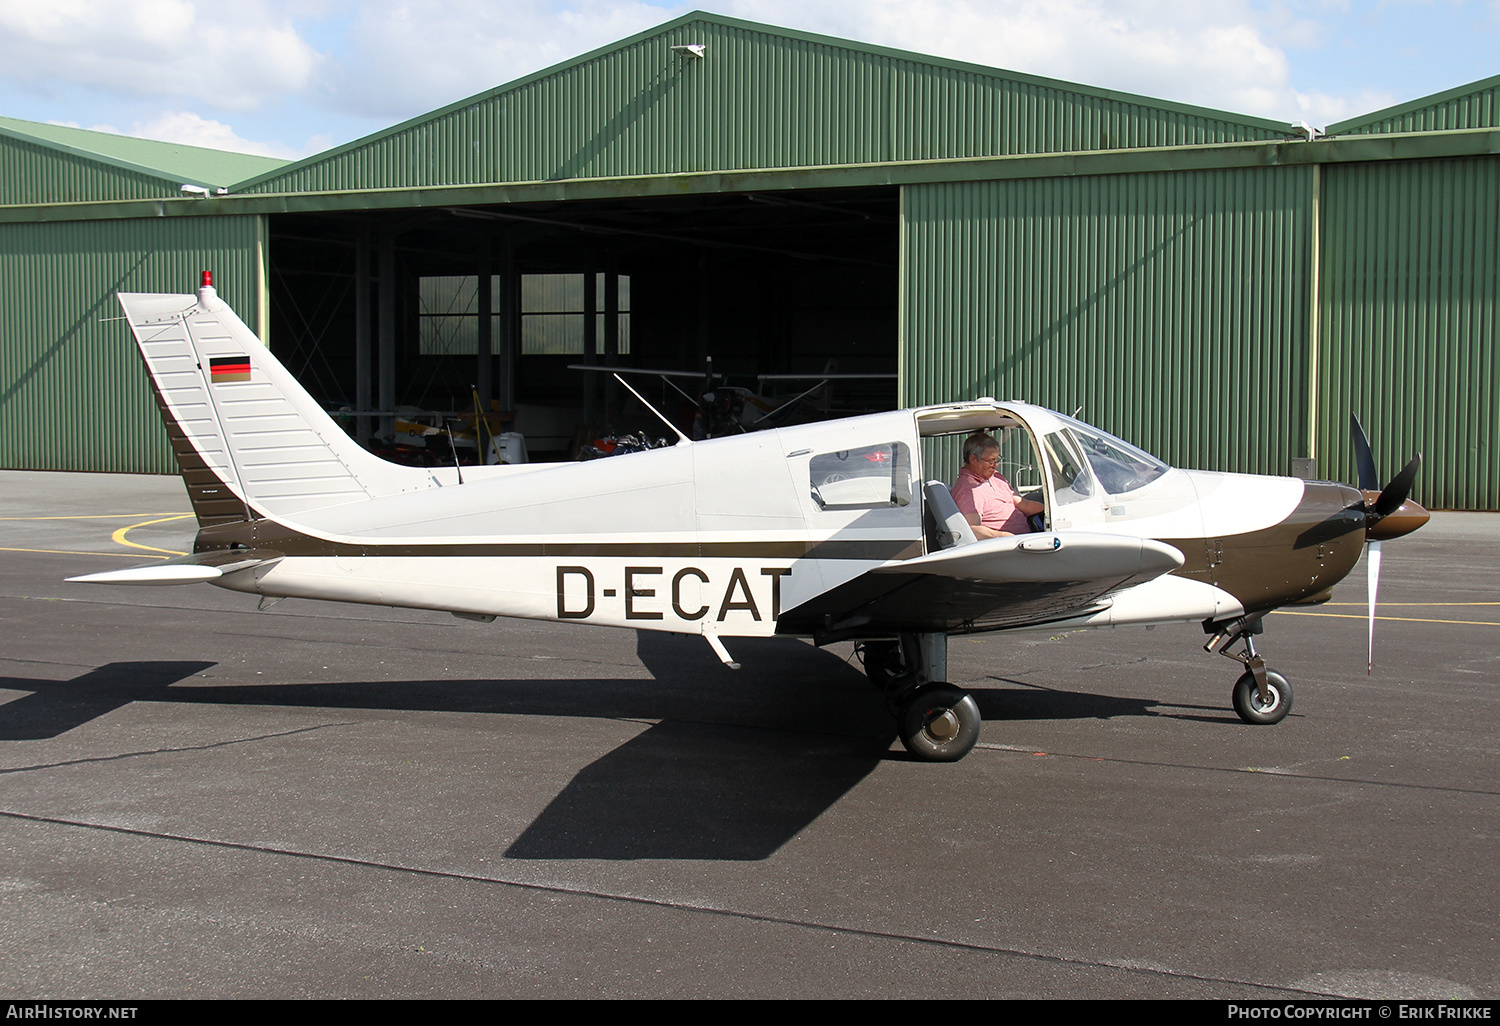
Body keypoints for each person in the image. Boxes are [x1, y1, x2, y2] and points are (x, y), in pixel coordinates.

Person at [950, 431, 1044, 538]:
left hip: (1027, 536)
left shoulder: (995, 477)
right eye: (991, 461)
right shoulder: (969, 490)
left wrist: (1050, 511)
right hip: (1009, 546)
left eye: (997, 459)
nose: (996, 465)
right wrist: (1005, 537)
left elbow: (1024, 505)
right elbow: (972, 529)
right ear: (973, 459)